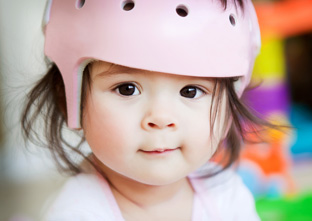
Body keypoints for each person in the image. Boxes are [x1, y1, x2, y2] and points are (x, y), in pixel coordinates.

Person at [21, 0, 271, 220]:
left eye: (191, 91)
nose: (161, 118)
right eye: (127, 89)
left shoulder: (226, 193)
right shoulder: (76, 214)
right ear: (69, 97)